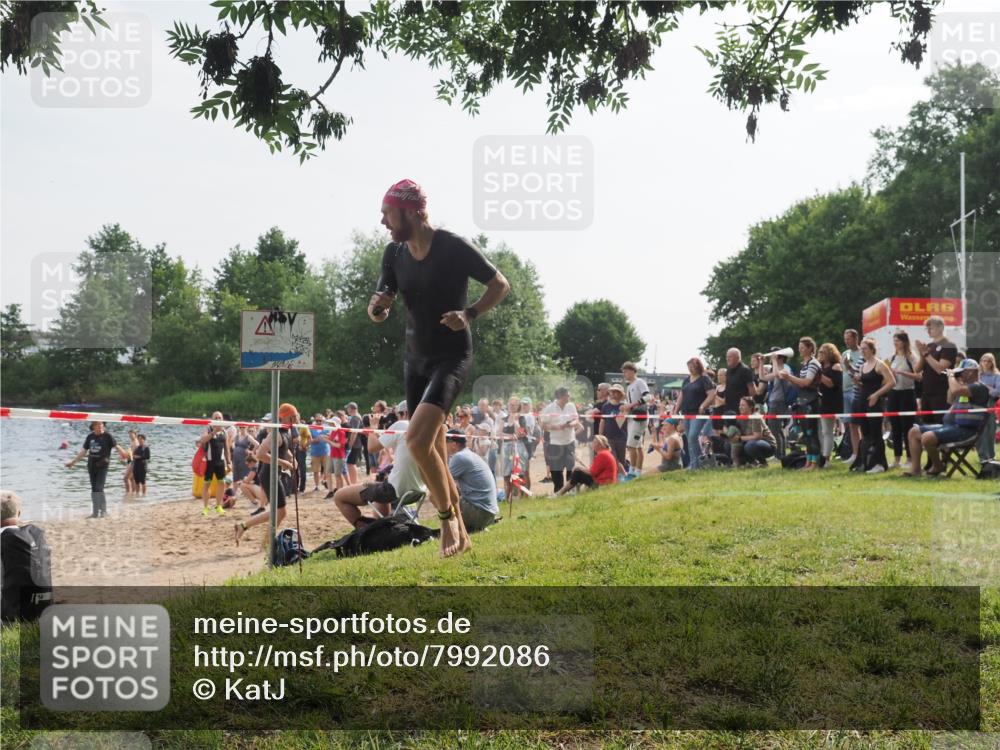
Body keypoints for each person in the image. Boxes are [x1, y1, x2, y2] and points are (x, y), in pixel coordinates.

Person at [369, 179, 510, 556]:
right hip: (415, 362)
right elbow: (379, 305)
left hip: (451, 358)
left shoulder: (452, 246)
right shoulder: (393, 253)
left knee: (415, 442)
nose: (382, 221)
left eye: (387, 213)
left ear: (410, 211)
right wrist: (378, 307)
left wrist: (470, 313)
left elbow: (500, 284)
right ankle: (462, 535)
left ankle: (447, 520)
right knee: (429, 447)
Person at [333, 402, 427, 528]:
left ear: (404, 413)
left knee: (339, 496)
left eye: (397, 415)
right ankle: (383, 526)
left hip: (395, 490)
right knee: (377, 486)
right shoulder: (427, 428)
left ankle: (366, 530)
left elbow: (372, 448)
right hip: (418, 491)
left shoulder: (402, 425)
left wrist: (373, 427)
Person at [906, 359, 991, 477]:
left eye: (961, 372)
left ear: (971, 372)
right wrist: (953, 379)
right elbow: (950, 399)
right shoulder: (965, 387)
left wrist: (951, 377)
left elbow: (956, 390)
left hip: (966, 431)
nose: (959, 374)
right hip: (951, 427)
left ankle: (938, 465)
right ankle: (915, 470)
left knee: (927, 438)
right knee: (913, 432)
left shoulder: (979, 387)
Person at [234, 402, 299, 545]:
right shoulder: (275, 433)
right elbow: (259, 454)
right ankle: (265, 541)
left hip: (276, 473)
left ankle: (247, 529)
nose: (296, 420)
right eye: (292, 417)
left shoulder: (286, 431)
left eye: (296, 417)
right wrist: (283, 463)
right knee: (280, 512)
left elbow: (283, 448)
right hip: (269, 474)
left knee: (279, 512)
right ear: (284, 418)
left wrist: (291, 458)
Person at [65, 421, 130, 518]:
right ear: (93, 427)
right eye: (98, 425)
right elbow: (83, 451)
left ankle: (103, 511)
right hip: (91, 465)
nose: (100, 427)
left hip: (103, 466)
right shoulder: (90, 437)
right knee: (94, 489)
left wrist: (124, 453)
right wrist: (73, 462)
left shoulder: (108, 436)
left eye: (102, 425)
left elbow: (117, 446)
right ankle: (95, 512)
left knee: (99, 488)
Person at [850, 338, 896, 473]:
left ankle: (880, 464)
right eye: (861, 349)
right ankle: (867, 461)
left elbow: (891, 382)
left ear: (871, 350)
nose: (862, 351)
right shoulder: (863, 366)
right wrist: (857, 381)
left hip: (875, 402)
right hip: (862, 401)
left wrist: (877, 395)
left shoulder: (880, 364)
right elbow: (864, 385)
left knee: (876, 433)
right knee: (865, 433)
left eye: (864, 349)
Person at [779, 337, 823, 471]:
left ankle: (815, 463)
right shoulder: (804, 364)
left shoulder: (813, 363)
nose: (800, 349)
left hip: (812, 401)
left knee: (812, 433)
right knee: (806, 434)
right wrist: (789, 379)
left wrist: (789, 377)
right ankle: (808, 462)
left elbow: (806, 382)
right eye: (799, 347)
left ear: (810, 348)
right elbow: (799, 383)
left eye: (803, 347)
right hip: (803, 401)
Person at [445, 429, 499, 533]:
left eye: (445, 442)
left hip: (481, 513)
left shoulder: (459, 457)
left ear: (453, 444)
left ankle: (452, 531)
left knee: (441, 498)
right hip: (489, 513)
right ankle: (474, 528)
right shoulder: (468, 454)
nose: (444, 446)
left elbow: (442, 483)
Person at [914, 315, 958, 425]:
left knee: (941, 424)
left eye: (931, 328)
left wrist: (926, 354)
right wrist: (921, 355)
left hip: (941, 393)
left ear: (941, 328)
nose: (928, 330)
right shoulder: (929, 346)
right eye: (927, 328)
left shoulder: (949, 345)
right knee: (927, 425)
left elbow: (941, 369)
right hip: (926, 393)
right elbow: (917, 369)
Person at [675, 357, 717, 470]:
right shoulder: (686, 380)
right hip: (686, 412)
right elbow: (681, 396)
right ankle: (694, 464)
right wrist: (675, 410)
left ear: (698, 366)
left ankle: (698, 463)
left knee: (693, 436)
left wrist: (703, 405)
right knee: (689, 438)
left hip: (698, 414)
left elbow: (712, 394)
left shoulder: (705, 379)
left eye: (692, 366)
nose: (690, 369)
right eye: (689, 367)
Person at [886, 331, 920, 468]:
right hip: (894, 394)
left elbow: (918, 376)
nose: (896, 343)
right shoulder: (892, 357)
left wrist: (901, 373)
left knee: (907, 427)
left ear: (904, 342)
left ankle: (910, 458)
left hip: (907, 394)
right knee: (895, 427)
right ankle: (896, 459)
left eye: (898, 340)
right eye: (894, 341)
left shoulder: (911, 357)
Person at [540, 387, 580, 493]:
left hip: (570, 441)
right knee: (556, 469)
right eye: (567, 395)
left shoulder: (571, 406)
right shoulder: (549, 408)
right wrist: (556, 427)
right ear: (561, 396)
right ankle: (558, 491)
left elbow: (576, 420)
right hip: (555, 443)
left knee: (570, 466)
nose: (569, 397)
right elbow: (543, 425)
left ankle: (570, 490)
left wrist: (570, 424)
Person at [757, 347, 795, 458]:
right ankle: (781, 454)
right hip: (773, 401)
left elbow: (778, 375)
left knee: (775, 429)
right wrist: (761, 363)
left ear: (780, 357)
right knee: (776, 429)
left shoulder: (785, 368)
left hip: (779, 401)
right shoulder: (777, 368)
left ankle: (779, 454)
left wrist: (773, 360)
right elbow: (762, 377)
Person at [198, 412, 232, 517]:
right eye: (215, 418)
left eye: (219, 418)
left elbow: (227, 449)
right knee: (206, 484)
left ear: (222, 419)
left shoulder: (224, 432)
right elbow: (202, 440)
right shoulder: (208, 429)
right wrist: (213, 433)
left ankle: (218, 506)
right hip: (209, 462)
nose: (217, 419)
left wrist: (229, 462)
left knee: (221, 483)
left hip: (220, 462)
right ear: (212, 419)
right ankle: (205, 507)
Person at [728, 397, 777, 467]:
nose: (740, 407)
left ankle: (763, 463)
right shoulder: (740, 418)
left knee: (750, 446)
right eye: (740, 405)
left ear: (750, 407)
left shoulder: (755, 417)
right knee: (729, 444)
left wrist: (739, 438)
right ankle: (751, 463)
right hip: (750, 442)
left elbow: (757, 436)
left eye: (743, 405)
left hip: (767, 444)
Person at [816, 343, 843, 467]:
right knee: (823, 431)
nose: (820, 354)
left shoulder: (836, 367)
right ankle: (823, 455)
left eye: (823, 352)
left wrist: (818, 374)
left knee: (828, 431)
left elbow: (831, 384)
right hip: (821, 401)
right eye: (819, 352)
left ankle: (826, 458)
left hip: (832, 402)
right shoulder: (820, 367)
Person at [621, 362, 651, 474]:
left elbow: (648, 396)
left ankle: (632, 472)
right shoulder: (629, 386)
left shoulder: (640, 382)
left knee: (631, 445)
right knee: (637, 446)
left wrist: (631, 405)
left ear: (633, 371)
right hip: (631, 418)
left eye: (626, 371)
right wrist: (625, 406)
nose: (624, 374)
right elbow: (629, 403)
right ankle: (638, 472)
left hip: (640, 417)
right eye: (623, 372)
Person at [841, 329, 865, 465]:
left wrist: (848, 366)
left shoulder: (863, 353)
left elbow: (857, 374)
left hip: (856, 391)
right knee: (850, 424)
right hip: (845, 391)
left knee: (859, 424)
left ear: (856, 338)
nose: (846, 342)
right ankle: (854, 453)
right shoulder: (845, 354)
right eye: (845, 339)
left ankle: (861, 452)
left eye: (848, 339)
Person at [599, 383, 629, 467]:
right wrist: (600, 436)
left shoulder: (624, 407)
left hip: (621, 437)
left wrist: (623, 410)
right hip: (609, 437)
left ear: (621, 394)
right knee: (613, 459)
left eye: (616, 392)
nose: (613, 394)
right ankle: (614, 477)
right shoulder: (605, 406)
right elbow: (602, 421)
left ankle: (622, 477)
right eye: (612, 391)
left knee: (621, 460)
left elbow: (622, 423)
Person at [978, 353, 1000, 462]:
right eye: (984, 360)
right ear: (980, 362)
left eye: (988, 361)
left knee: (991, 429)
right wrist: (990, 389)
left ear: (992, 363)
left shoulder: (997, 375)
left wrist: (985, 387)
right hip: (977, 404)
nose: (986, 363)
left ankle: (991, 456)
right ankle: (983, 457)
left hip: (990, 404)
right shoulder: (977, 375)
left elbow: (998, 392)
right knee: (981, 430)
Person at [723, 348, 757, 414]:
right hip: (729, 406)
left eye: (730, 357)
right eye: (727, 357)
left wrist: (749, 406)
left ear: (737, 357)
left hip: (741, 408)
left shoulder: (745, 370)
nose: (727, 359)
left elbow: (752, 389)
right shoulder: (729, 370)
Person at [309, 414, 331, 493]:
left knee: (327, 469)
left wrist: (324, 437)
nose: (318, 422)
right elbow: (309, 441)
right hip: (315, 452)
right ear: (314, 420)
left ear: (323, 420)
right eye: (317, 420)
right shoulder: (311, 428)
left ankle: (325, 481)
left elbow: (331, 437)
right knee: (316, 470)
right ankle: (317, 486)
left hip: (326, 451)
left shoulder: (326, 427)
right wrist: (316, 440)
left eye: (320, 421)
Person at [123, 429, 139, 494]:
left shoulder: (136, 443)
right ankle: (134, 493)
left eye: (131, 435)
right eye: (129, 435)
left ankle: (128, 493)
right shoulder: (132, 441)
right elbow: (131, 453)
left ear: (135, 435)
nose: (130, 436)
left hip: (134, 462)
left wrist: (126, 455)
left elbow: (135, 454)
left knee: (126, 478)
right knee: (132, 479)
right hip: (131, 461)